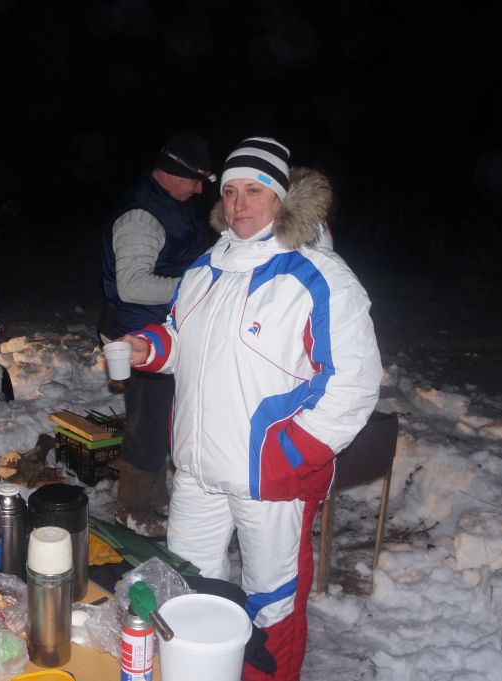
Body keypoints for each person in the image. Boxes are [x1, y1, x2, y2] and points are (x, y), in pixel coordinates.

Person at [125, 137, 383, 680]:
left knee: (272, 605)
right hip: (197, 471)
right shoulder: (205, 268)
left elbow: (354, 383)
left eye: (255, 191)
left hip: (271, 480)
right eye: (230, 192)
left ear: (282, 199)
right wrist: (153, 347)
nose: (240, 204)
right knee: (189, 590)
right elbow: (182, 336)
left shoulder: (318, 277)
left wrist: (290, 453)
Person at [99, 131, 215, 537]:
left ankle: (154, 495)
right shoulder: (141, 216)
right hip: (139, 338)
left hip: (161, 332)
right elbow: (132, 286)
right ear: (173, 173)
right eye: (196, 180)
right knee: (147, 424)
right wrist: (198, 287)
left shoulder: (170, 204)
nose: (200, 190)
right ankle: (132, 508)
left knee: (164, 418)